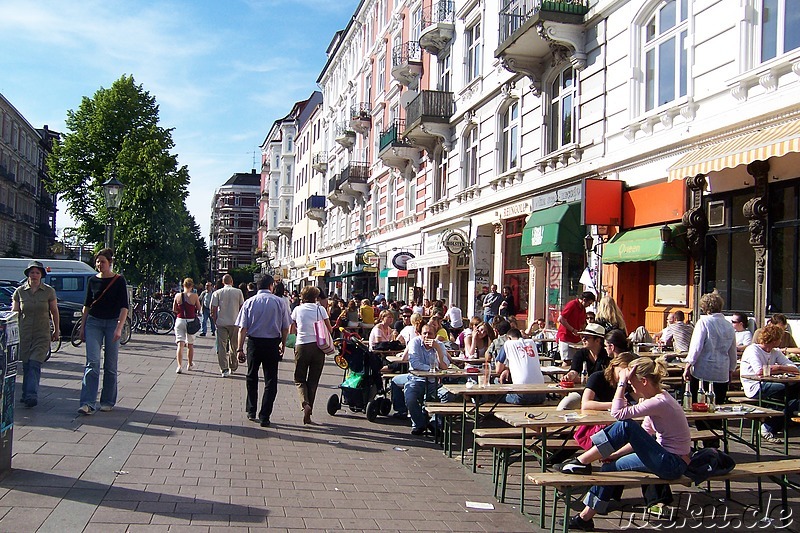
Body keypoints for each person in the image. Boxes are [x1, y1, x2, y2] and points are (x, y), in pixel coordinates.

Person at [557, 358, 691, 531]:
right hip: (664, 457)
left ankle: (582, 461)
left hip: (673, 463)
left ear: (643, 381)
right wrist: (614, 454)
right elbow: (643, 437)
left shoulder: (659, 402)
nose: (630, 387)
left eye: (632, 383)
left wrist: (621, 382)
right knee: (609, 467)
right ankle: (584, 518)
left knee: (626, 425)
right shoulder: (654, 400)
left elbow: (619, 415)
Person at [78, 249, 129, 415]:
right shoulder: (92, 280)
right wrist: (82, 326)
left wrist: (119, 327)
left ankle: (107, 401)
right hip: (93, 322)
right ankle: (87, 402)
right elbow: (87, 304)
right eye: (98, 262)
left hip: (112, 324)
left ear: (110, 263)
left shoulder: (119, 280)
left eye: (103, 262)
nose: (100, 265)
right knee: (92, 362)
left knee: (110, 364)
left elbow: (124, 307)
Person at [236, 275, 291, 427]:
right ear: (271, 286)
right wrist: (283, 344)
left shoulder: (249, 302)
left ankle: (251, 410)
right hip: (272, 343)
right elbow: (286, 327)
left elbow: (243, 328)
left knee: (251, 376)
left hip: (254, 342)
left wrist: (240, 348)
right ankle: (265, 415)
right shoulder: (280, 302)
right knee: (271, 379)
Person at [683, 292, 737, 444]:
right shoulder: (728, 325)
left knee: (700, 408)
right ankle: (714, 440)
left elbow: (696, 347)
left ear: (705, 307)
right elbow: (732, 350)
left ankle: (706, 439)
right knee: (716, 407)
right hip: (721, 371)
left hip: (703, 370)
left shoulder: (704, 322)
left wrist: (689, 364)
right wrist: (731, 369)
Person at [740, 323, 800, 443]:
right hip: (755, 386)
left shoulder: (775, 351)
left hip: (771, 385)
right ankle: (769, 427)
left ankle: (768, 427)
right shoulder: (753, 349)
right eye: (780, 338)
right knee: (794, 391)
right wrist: (778, 368)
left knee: (795, 399)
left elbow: (794, 368)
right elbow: (760, 371)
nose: (781, 340)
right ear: (774, 339)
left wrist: (777, 368)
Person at [13, 260, 59, 408]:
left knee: (34, 363)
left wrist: (56, 329)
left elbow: (54, 311)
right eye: (32, 272)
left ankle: (32, 395)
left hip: (42, 333)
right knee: (26, 364)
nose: (34, 275)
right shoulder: (19, 291)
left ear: (41, 275)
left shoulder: (48, 291)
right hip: (24, 333)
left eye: (37, 273)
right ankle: (26, 393)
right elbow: (15, 313)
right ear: (28, 274)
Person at [575, 352, 637, 449]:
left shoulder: (629, 383)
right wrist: (613, 405)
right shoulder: (597, 377)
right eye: (622, 372)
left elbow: (640, 399)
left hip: (615, 424)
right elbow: (586, 404)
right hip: (594, 424)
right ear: (614, 366)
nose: (624, 377)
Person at [289, 286, 331, 425]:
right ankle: (310, 409)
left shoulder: (297, 309)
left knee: (300, 378)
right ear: (316, 297)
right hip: (319, 346)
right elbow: (329, 328)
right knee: (313, 380)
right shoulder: (321, 309)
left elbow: (293, 327)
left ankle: (304, 404)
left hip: (302, 345)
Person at [404, 324, 449, 435]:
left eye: (430, 334)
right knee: (410, 396)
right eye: (425, 333)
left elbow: (444, 366)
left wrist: (438, 349)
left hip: (435, 382)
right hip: (417, 379)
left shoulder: (440, 345)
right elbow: (415, 363)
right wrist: (432, 369)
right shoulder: (415, 343)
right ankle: (419, 424)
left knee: (448, 395)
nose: (427, 336)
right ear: (420, 334)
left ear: (435, 335)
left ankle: (435, 424)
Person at [494, 328, 546, 405]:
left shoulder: (508, 344)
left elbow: (498, 370)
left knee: (495, 381)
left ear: (508, 338)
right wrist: (508, 369)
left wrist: (505, 369)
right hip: (541, 395)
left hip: (522, 396)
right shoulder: (531, 342)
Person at [211, 274, 244, 377]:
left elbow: (213, 309)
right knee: (234, 346)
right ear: (232, 281)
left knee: (222, 346)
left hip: (221, 322)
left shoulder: (217, 293)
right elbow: (242, 307)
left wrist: (215, 320)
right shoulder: (238, 292)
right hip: (235, 322)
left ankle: (224, 369)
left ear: (223, 282)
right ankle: (233, 366)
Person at [556, 292, 596, 365]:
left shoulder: (583, 309)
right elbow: (561, 319)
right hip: (566, 337)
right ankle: (565, 376)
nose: (589, 306)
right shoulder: (572, 304)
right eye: (589, 303)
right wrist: (572, 330)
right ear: (584, 300)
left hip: (576, 339)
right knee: (567, 361)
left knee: (577, 361)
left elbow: (583, 324)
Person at [173, 278, 202, 374]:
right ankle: (189, 364)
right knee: (190, 344)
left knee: (180, 345)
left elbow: (174, 309)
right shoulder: (194, 296)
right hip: (191, 321)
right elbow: (198, 308)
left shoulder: (177, 296)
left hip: (180, 320)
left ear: (183, 285)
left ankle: (179, 366)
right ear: (192, 286)